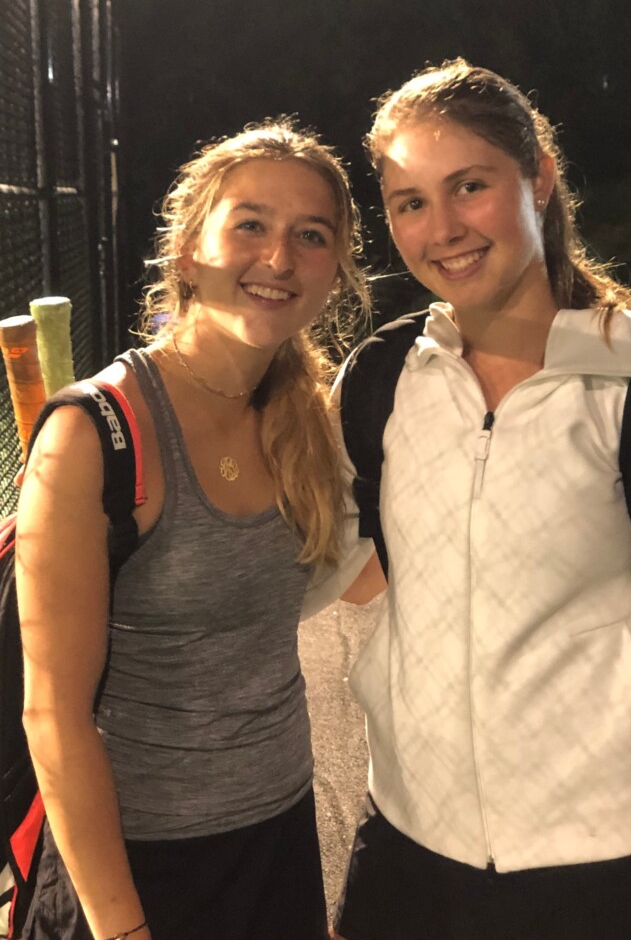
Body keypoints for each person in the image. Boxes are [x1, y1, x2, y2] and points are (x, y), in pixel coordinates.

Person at [332, 60, 631, 940]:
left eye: (470, 186)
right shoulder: (379, 379)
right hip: (409, 852)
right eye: (410, 202)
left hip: (601, 874)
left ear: (540, 177)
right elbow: (320, 567)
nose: (441, 228)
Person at [15, 119, 369, 940]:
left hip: (279, 835)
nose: (278, 259)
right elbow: (53, 714)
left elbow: (366, 574)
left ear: (333, 273)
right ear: (187, 250)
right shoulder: (94, 435)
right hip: (136, 864)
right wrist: (122, 928)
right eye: (250, 224)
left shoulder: (308, 421)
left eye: (309, 236)